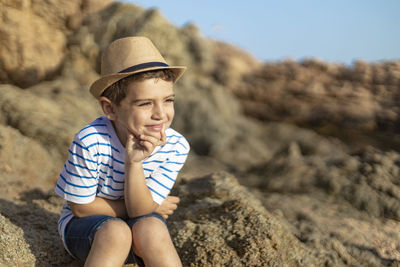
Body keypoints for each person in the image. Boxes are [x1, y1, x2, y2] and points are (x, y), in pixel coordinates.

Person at [55, 36, 189, 267]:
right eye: (145, 103)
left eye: (167, 100)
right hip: (88, 231)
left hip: (139, 227)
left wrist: (134, 164)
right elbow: (81, 207)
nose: (160, 113)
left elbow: (141, 212)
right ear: (110, 108)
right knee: (116, 233)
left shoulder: (175, 147)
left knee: (152, 227)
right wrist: (155, 204)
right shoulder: (91, 141)